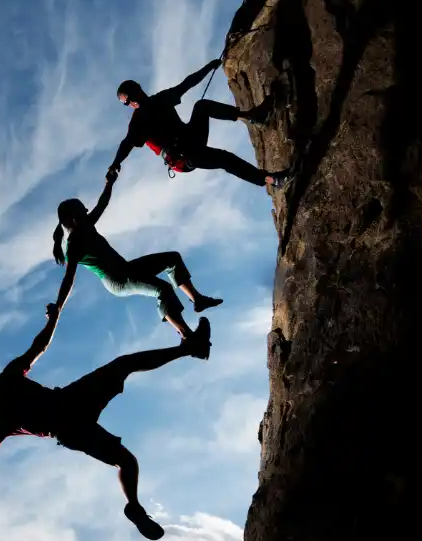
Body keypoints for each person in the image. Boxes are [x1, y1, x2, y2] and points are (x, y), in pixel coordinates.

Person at [0, 303, 212, 541]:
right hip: (70, 410)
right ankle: (190, 348)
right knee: (124, 371)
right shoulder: (0, 397)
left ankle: (135, 506)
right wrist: (53, 319)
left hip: (69, 421)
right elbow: (38, 347)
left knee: (126, 458)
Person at [50, 166, 222, 342]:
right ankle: (188, 337)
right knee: (163, 289)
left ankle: (197, 299)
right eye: (82, 213)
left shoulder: (82, 226)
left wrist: (109, 183)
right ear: (72, 218)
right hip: (117, 280)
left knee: (173, 259)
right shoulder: (73, 244)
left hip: (126, 268)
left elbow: (102, 204)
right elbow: (68, 279)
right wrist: (58, 307)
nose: (87, 215)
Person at [108, 59, 288, 188]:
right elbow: (127, 143)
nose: (131, 103)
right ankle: (271, 180)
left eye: (130, 98)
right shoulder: (139, 120)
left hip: (191, 137)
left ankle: (252, 117)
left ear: (138, 89)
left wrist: (209, 68)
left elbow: (186, 84)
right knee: (224, 158)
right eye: (127, 102)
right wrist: (116, 163)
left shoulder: (160, 99)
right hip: (183, 157)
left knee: (201, 106)